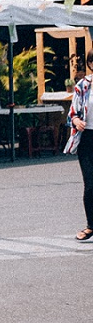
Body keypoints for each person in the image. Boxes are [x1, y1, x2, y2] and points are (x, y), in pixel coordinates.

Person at [69, 55, 93, 241]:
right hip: (87, 138)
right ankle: (91, 225)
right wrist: (76, 120)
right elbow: (72, 113)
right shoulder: (83, 86)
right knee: (90, 183)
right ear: (91, 64)